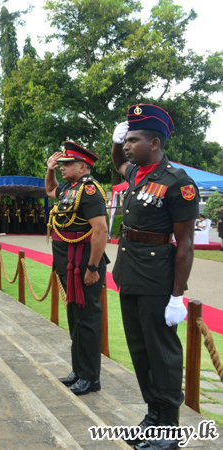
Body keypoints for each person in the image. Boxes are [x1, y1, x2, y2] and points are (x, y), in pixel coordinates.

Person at [111, 104, 198, 449]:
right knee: (140, 350)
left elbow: (187, 244)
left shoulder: (178, 182)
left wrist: (177, 295)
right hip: (131, 271)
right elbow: (118, 162)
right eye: (127, 139)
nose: (128, 145)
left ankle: (170, 428)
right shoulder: (136, 173)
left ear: (155, 143)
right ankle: (154, 417)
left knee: (162, 353)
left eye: (133, 139)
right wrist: (116, 141)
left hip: (157, 278)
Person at [45, 142, 108, 396]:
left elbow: (101, 230)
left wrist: (93, 267)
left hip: (83, 263)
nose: (62, 168)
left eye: (66, 164)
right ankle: (79, 370)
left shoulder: (90, 190)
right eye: (60, 164)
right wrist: (49, 170)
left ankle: (91, 377)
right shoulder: (70, 188)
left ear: (83, 166)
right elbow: (50, 189)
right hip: (68, 263)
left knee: (88, 320)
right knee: (75, 318)